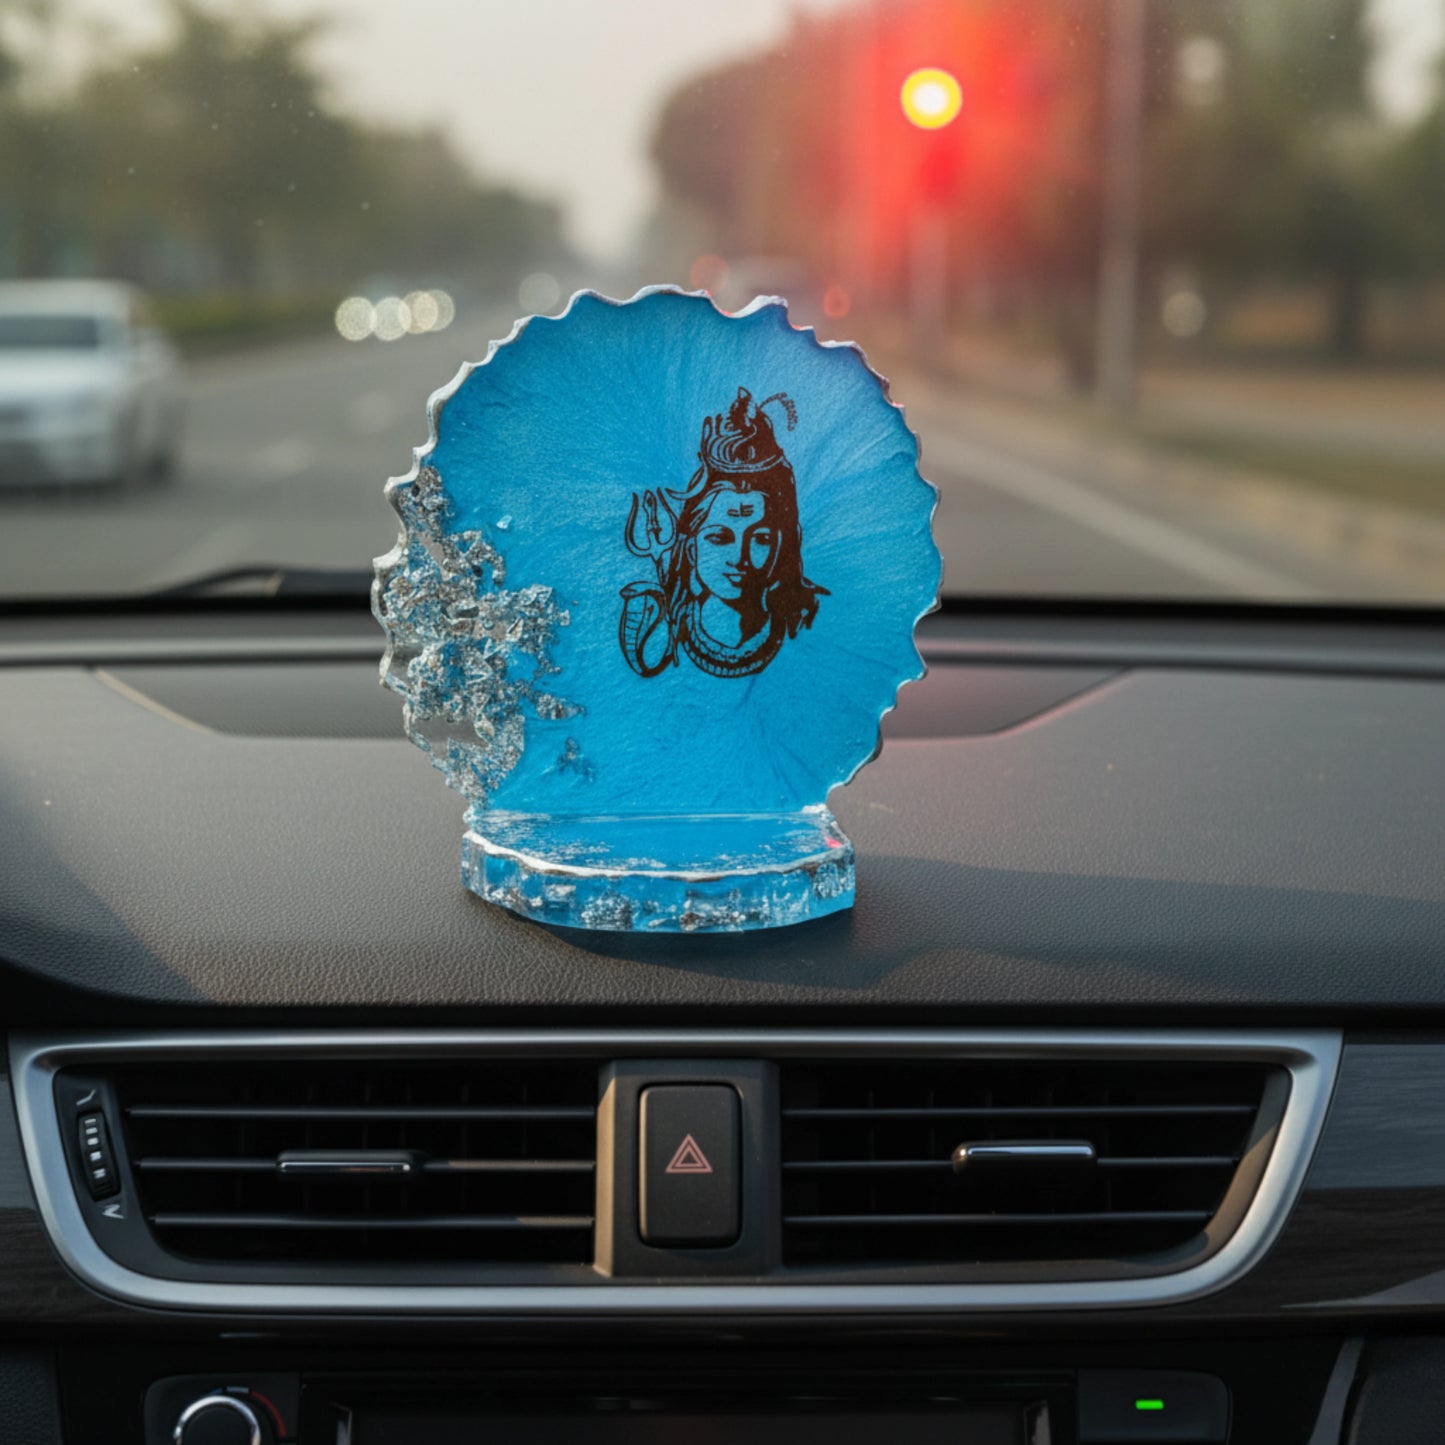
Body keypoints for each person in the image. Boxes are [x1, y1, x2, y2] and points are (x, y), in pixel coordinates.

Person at [620, 387, 826, 679]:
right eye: (719, 538)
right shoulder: (660, 631)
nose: (740, 559)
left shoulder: (813, 618)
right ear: (692, 548)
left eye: (761, 539)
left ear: (782, 545)